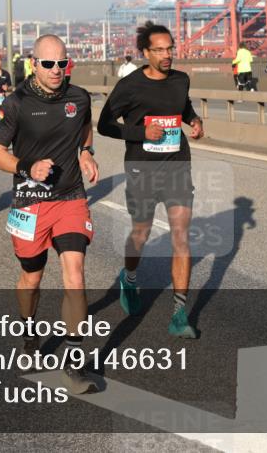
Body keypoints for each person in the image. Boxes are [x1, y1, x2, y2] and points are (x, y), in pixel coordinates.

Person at [0, 34, 100, 394]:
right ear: (34, 64)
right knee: (31, 279)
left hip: (70, 198)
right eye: (48, 63)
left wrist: (85, 152)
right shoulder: (17, 103)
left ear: (69, 63)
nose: (56, 70)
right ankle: (28, 327)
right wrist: (27, 167)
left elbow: (84, 128)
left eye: (61, 63)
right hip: (30, 202)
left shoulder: (78, 98)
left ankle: (72, 363)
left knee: (75, 273)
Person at [98, 22, 204, 339]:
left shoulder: (181, 80)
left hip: (176, 167)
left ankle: (179, 315)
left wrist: (194, 120)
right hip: (142, 168)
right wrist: (139, 132)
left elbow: (182, 107)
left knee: (181, 237)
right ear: (146, 52)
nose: (167, 54)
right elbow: (104, 124)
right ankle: (129, 277)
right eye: (159, 49)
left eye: (170, 48)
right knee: (141, 233)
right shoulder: (130, 85)